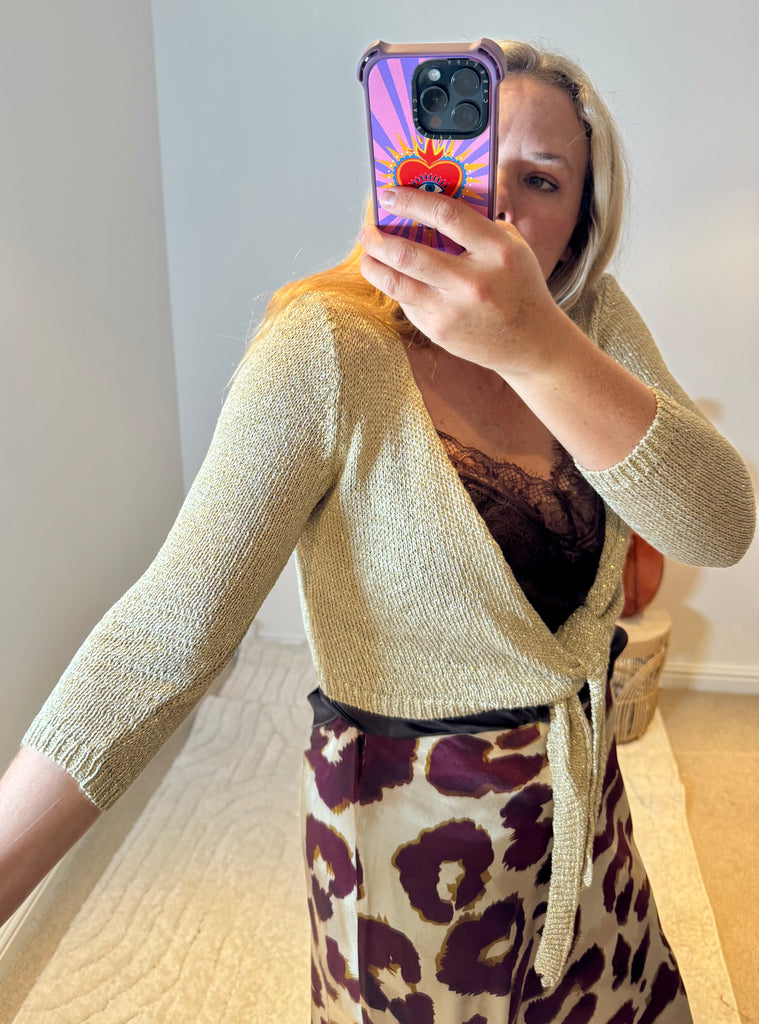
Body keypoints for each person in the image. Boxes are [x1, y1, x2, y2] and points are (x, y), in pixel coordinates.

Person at [0, 38, 754, 1023]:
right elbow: (165, 637)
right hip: (412, 872)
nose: (495, 203)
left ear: (579, 228)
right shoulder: (325, 346)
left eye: (541, 180)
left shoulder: (589, 322)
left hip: (590, 839)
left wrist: (536, 346)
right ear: (402, 162)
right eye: (476, 158)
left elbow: (719, 525)